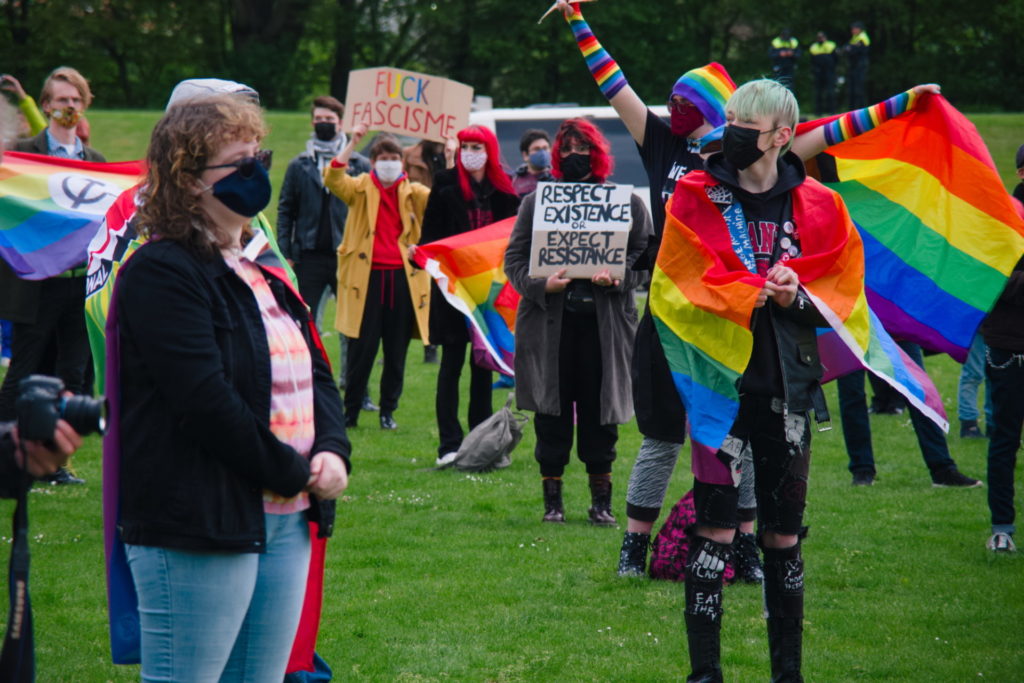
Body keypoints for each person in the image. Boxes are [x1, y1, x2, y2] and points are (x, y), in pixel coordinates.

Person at [113, 94, 350, 681]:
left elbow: (315, 369)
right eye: (239, 164)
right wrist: (295, 472)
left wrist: (332, 451)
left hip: (285, 513)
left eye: (260, 156)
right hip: (199, 517)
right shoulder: (160, 271)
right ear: (190, 181)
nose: (257, 173)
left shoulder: (259, 262)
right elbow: (204, 400)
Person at [673, 77, 847, 682]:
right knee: (714, 531)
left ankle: (788, 675)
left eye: (747, 123)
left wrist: (795, 296)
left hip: (789, 388)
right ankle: (705, 676)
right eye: (730, 118)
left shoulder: (819, 204)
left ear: (781, 135)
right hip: (719, 390)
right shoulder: (696, 194)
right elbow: (679, 282)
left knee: (783, 537)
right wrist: (751, 292)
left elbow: (841, 292)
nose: (734, 132)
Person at [505, 117, 652, 525]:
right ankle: (553, 502)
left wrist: (620, 274)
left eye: (581, 148)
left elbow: (647, 258)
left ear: (598, 154)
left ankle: (600, 502)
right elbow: (513, 260)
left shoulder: (626, 204)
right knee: (550, 413)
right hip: (551, 328)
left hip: (604, 330)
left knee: (600, 414)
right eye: (565, 149)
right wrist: (541, 285)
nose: (573, 156)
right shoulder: (536, 203)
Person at [0, 66, 104, 486]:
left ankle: (55, 461)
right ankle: (7, 450)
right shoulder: (27, 153)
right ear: (46, 105)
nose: (69, 107)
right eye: (62, 100)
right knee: (23, 370)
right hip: (37, 283)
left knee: (73, 374)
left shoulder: (94, 162)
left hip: (78, 284)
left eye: (76, 100)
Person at [419, 125, 519, 467]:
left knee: (482, 367)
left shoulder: (504, 191)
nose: (470, 151)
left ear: (489, 150)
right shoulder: (445, 183)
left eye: (477, 145)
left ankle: (481, 443)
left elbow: (514, 238)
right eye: (465, 146)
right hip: (452, 291)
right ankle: (449, 443)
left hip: (487, 293)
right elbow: (429, 235)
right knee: (450, 365)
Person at [325, 124, 432, 430]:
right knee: (361, 350)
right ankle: (352, 410)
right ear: (372, 162)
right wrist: (353, 141)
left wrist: (450, 156)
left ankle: (388, 411)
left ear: (402, 161)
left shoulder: (414, 192)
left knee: (396, 351)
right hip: (366, 281)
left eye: (394, 157)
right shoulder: (358, 188)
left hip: (401, 280)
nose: (389, 163)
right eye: (383, 157)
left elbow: (444, 198)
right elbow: (333, 177)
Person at [276, 94, 371, 396]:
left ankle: (356, 388)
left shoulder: (358, 163)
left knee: (352, 325)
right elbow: (285, 209)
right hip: (309, 256)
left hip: (349, 255)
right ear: (312, 123)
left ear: (340, 123)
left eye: (329, 121)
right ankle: (307, 382)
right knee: (305, 321)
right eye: (318, 120)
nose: (323, 125)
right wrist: (287, 251)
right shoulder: (298, 165)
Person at [839, 348, 984, 487]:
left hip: (895, 328)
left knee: (919, 392)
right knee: (852, 397)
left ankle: (942, 470)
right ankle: (862, 471)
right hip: (849, 329)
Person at [981, 246, 1023, 553]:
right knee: (1005, 440)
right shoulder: (1002, 228)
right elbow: (990, 278)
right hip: (1009, 350)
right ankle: (1002, 528)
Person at [957, 333, 992, 438]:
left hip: (1000, 330)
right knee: (973, 375)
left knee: (995, 376)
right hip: (977, 326)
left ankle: (993, 424)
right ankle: (969, 424)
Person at [510, 128, 554, 197]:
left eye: (545, 148)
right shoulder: (513, 181)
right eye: (537, 149)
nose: (542, 153)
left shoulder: (558, 179)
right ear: (525, 155)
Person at [808, 31, 838, 115]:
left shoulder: (831, 45)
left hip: (829, 71)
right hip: (818, 72)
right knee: (818, 92)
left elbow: (836, 59)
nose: (820, 39)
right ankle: (818, 112)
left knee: (830, 91)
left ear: (825, 37)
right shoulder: (814, 47)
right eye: (819, 37)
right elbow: (812, 60)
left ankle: (832, 111)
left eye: (822, 37)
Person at [844, 21, 871, 108]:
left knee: (859, 88)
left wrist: (850, 49)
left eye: (855, 28)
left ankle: (860, 108)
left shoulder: (862, 37)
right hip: (854, 65)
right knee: (853, 87)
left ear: (860, 29)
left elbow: (853, 50)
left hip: (860, 65)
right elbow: (847, 49)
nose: (853, 30)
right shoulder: (855, 38)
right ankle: (852, 108)